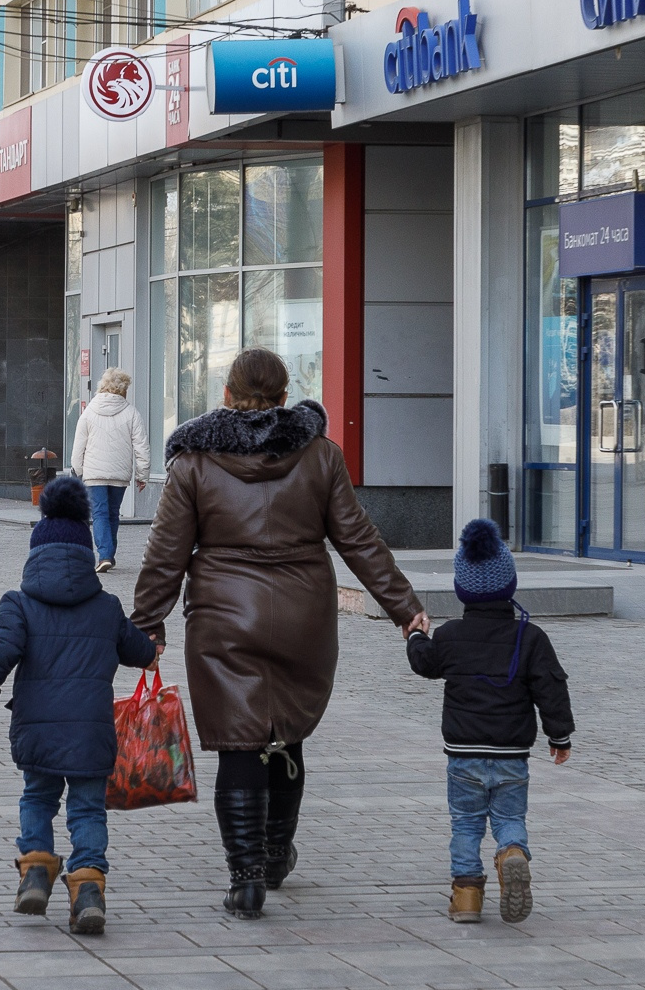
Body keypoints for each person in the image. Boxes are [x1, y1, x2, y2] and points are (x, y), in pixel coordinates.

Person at [131, 347, 428, 919]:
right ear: (285, 396)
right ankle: (273, 855)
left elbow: (166, 553)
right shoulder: (321, 455)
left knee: (240, 742)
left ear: (226, 393)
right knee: (285, 733)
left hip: (222, 616)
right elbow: (358, 539)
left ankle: (246, 879)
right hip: (302, 617)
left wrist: (148, 624)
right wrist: (404, 609)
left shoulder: (193, 461)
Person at [0, 477, 157, 936]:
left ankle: (35, 871)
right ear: (86, 556)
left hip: (38, 727)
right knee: (88, 808)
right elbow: (138, 652)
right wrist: (151, 649)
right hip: (92, 732)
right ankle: (89, 887)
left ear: (35, 555)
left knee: (38, 796)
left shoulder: (18, 603)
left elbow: (0, 649)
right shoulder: (107, 606)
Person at [406, 520, 574, 925]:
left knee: (465, 824)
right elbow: (551, 688)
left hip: (463, 755)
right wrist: (560, 736)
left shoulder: (450, 636)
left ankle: (466, 897)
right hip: (512, 754)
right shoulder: (529, 638)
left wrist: (415, 635)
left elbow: (424, 664)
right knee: (509, 818)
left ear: (462, 589)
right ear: (509, 585)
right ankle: (512, 852)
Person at [69, 367, 150, 572]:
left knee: (99, 513)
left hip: (94, 473)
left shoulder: (88, 412)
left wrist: (77, 469)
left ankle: (104, 554)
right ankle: (108, 554)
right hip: (119, 474)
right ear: (123, 389)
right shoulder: (132, 413)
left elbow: (79, 444)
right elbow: (141, 445)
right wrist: (143, 475)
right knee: (113, 513)